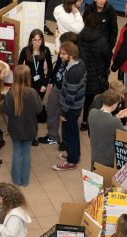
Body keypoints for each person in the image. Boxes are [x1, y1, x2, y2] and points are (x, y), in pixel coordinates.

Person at [38, 31, 79, 147]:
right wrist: (51, 81)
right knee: (51, 110)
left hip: (67, 92)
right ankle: (53, 136)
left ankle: (66, 142)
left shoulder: (76, 61)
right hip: (57, 86)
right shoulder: (64, 55)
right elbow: (56, 67)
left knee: (67, 117)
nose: (61, 53)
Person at [3, 65, 42, 186]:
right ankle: (25, 181)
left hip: (15, 128)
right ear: (27, 77)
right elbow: (39, 109)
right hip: (29, 128)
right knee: (26, 153)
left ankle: (16, 180)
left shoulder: (10, 93)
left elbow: (5, 110)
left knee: (16, 152)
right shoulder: (32, 92)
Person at [53, 42, 87, 171]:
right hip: (77, 105)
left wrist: (64, 112)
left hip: (71, 108)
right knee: (72, 132)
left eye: (63, 54)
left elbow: (70, 96)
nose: (61, 56)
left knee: (70, 133)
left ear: (71, 55)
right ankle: (73, 155)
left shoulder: (73, 72)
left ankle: (71, 161)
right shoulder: (80, 63)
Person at [77, 13, 112, 130]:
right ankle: (88, 121)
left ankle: (82, 122)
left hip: (82, 72)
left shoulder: (79, 37)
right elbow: (108, 56)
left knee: (82, 97)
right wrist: (105, 69)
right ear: (97, 25)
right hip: (96, 75)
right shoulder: (102, 40)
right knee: (92, 99)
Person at [88, 89, 127, 168]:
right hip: (107, 159)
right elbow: (124, 137)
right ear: (114, 105)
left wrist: (117, 116)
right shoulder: (115, 122)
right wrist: (117, 119)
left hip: (95, 156)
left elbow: (103, 122)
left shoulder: (92, 113)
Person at [19, 30, 53, 114]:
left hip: (41, 82)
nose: (37, 43)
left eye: (39, 40)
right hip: (28, 82)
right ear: (31, 40)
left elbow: (50, 69)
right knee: (28, 103)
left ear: (42, 40)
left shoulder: (46, 50)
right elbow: (19, 68)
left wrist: (45, 84)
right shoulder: (25, 50)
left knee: (37, 104)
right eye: (35, 40)